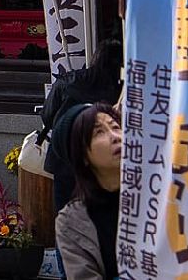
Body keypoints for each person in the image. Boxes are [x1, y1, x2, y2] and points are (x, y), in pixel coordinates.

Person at [43, 40, 125, 209]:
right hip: (99, 163)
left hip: (64, 158)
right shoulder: (119, 92)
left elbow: (47, 117)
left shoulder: (67, 81)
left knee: (65, 211)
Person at [55, 103, 122, 280]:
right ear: (82, 155)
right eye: (99, 132)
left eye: (116, 127)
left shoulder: (158, 196)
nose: (116, 137)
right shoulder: (71, 221)